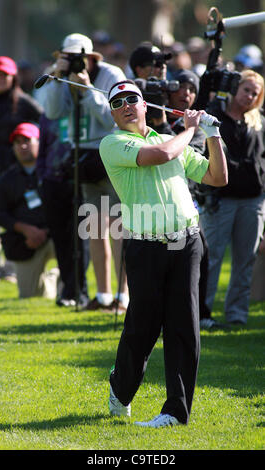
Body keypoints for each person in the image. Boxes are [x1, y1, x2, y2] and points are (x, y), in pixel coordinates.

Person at [99, 79, 227, 427]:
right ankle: (120, 388)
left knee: (184, 326)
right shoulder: (112, 143)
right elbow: (162, 155)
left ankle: (175, 412)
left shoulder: (168, 139)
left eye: (132, 99)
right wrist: (190, 129)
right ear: (112, 114)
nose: (126, 105)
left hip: (187, 243)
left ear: (145, 106)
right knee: (142, 330)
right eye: (117, 102)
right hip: (146, 246)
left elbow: (217, 176)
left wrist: (212, 134)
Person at [43, 33, 129, 312]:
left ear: (91, 57)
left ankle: (122, 296)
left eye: (77, 58)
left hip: (112, 154)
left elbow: (110, 119)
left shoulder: (110, 74)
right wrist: (58, 79)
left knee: (118, 227)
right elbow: (54, 112)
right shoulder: (64, 75)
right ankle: (103, 296)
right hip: (83, 158)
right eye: (67, 57)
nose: (75, 63)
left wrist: (89, 89)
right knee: (94, 228)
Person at [200, 69, 265, 325]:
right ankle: (201, 312)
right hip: (221, 199)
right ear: (235, 89)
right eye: (246, 90)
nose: (250, 96)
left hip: (254, 200)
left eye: (255, 93)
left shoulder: (259, 121)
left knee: (245, 258)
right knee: (211, 257)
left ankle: (237, 315)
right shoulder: (215, 115)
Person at [166, 69, 227, 330]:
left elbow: (196, 157)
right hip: (157, 208)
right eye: (180, 88)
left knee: (199, 257)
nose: (186, 93)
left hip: (188, 202)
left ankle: (200, 312)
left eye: (191, 89)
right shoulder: (154, 124)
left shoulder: (198, 125)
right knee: (166, 264)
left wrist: (191, 129)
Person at [0, 122, 59, 299]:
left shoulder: (55, 171)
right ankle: (52, 277)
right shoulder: (6, 179)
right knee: (29, 295)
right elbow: (0, 214)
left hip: (57, 236)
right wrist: (26, 230)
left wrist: (48, 230)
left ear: (39, 142)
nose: (22, 146)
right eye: (17, 142)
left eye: (27, 140)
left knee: (77, 249)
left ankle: (65, 283)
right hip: (26, 242)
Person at [36, 113, 90, 308]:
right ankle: (68, 289)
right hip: (52, 182)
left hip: (79, 181)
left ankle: (80, 291)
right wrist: (42, 177)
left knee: (80, 239)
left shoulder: (81, 107)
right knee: (61, 240)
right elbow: (42, 149)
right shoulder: (48, 113)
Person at [0, 55, 43, 281]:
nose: (0, 79)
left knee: (12, 215)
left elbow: (44, 123)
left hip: (15, 172)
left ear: (13, 77)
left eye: (4, 75)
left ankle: (9, 267)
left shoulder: (23, 102)